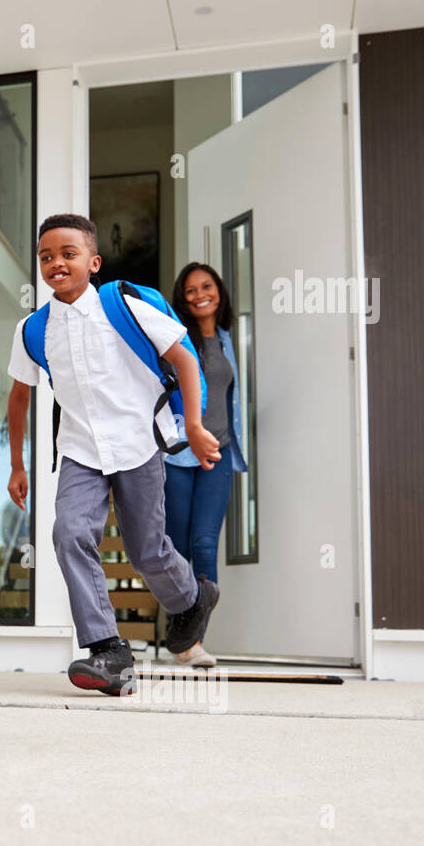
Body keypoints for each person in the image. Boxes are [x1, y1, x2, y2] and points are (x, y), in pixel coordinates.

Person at [5, 215, 220, 694]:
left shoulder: (121, 303)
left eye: (68, 253)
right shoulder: (32, 329)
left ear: (93, 261)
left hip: (138, 443)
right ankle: (108, 651)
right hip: (80, 450)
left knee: (147, 551)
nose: (56, 262)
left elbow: (183, 356)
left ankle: (192, 600)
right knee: (68, 532)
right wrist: (18, 465)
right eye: (46, 256)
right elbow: (19, 398)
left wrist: (194, 424)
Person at [162, 262, 249, 667]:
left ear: (219, 291)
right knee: (177, 548)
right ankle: (182, 642)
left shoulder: (229, 340)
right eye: (190, 290)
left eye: (207, 286)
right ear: (182, 299)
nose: (199, 295)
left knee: (205, 544)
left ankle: (192, 642)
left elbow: (229, 397)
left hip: (219, 453)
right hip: (179, 455)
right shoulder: (174, 337)